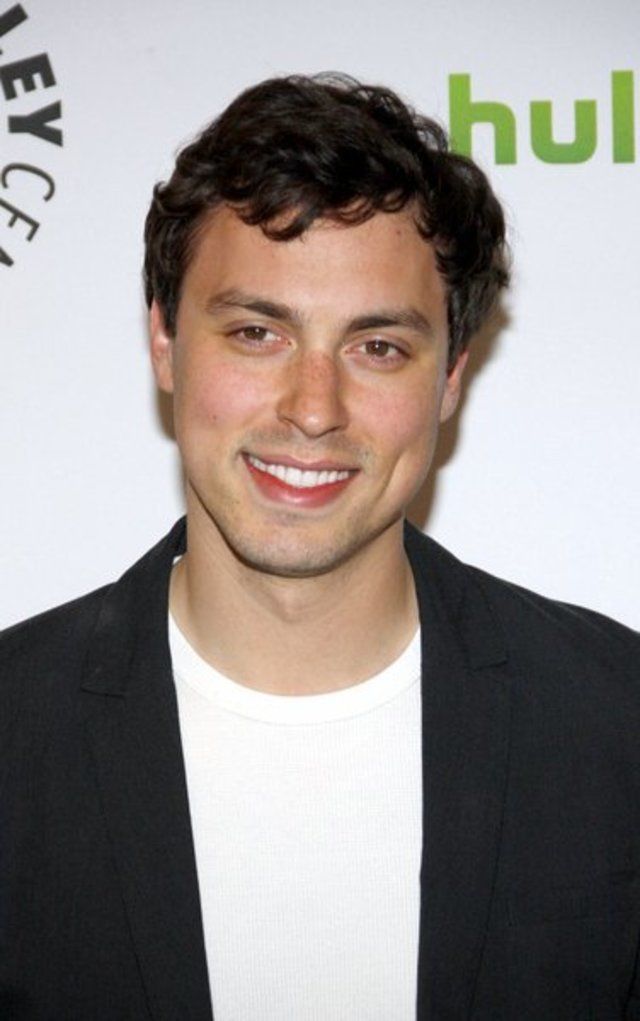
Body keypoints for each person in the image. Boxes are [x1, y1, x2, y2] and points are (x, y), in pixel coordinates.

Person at [1, 73, 639, 1021]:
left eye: (377, 347)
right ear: (166, 343)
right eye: (258, 332)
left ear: (451, 378)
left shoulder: (615, 724)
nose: (313, 409)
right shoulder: (15, 732)